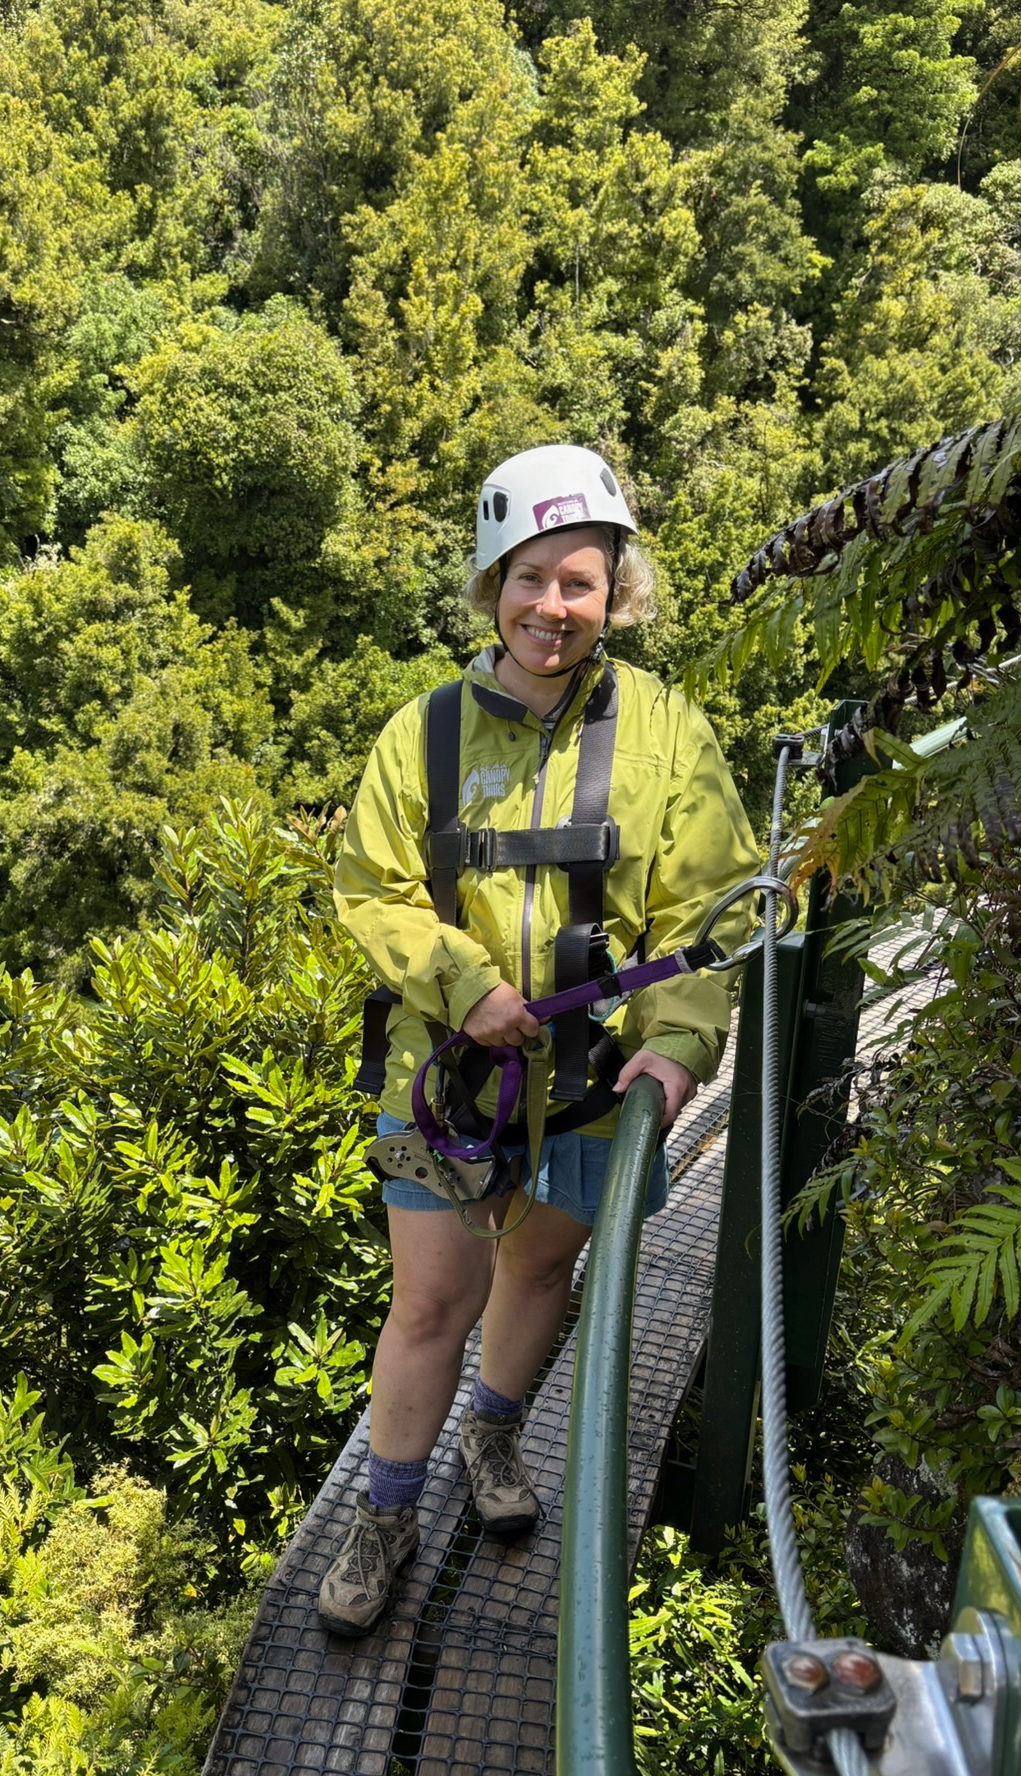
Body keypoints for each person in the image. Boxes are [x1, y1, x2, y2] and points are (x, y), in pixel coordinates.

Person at [318, 444, 760, 1637]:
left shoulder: (668, 733)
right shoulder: (425, 734)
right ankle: (388, 1510)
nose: (552, 609)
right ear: (491, 585)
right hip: (447, 1076)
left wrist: (676, 1049)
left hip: (596, 1079)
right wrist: (462, 985)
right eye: (530, 580)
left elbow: (710, 912)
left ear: (615, 592)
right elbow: (372, 884)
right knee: (429, 1301)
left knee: (538, 1269)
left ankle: (494, 1434)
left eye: (580, 582)